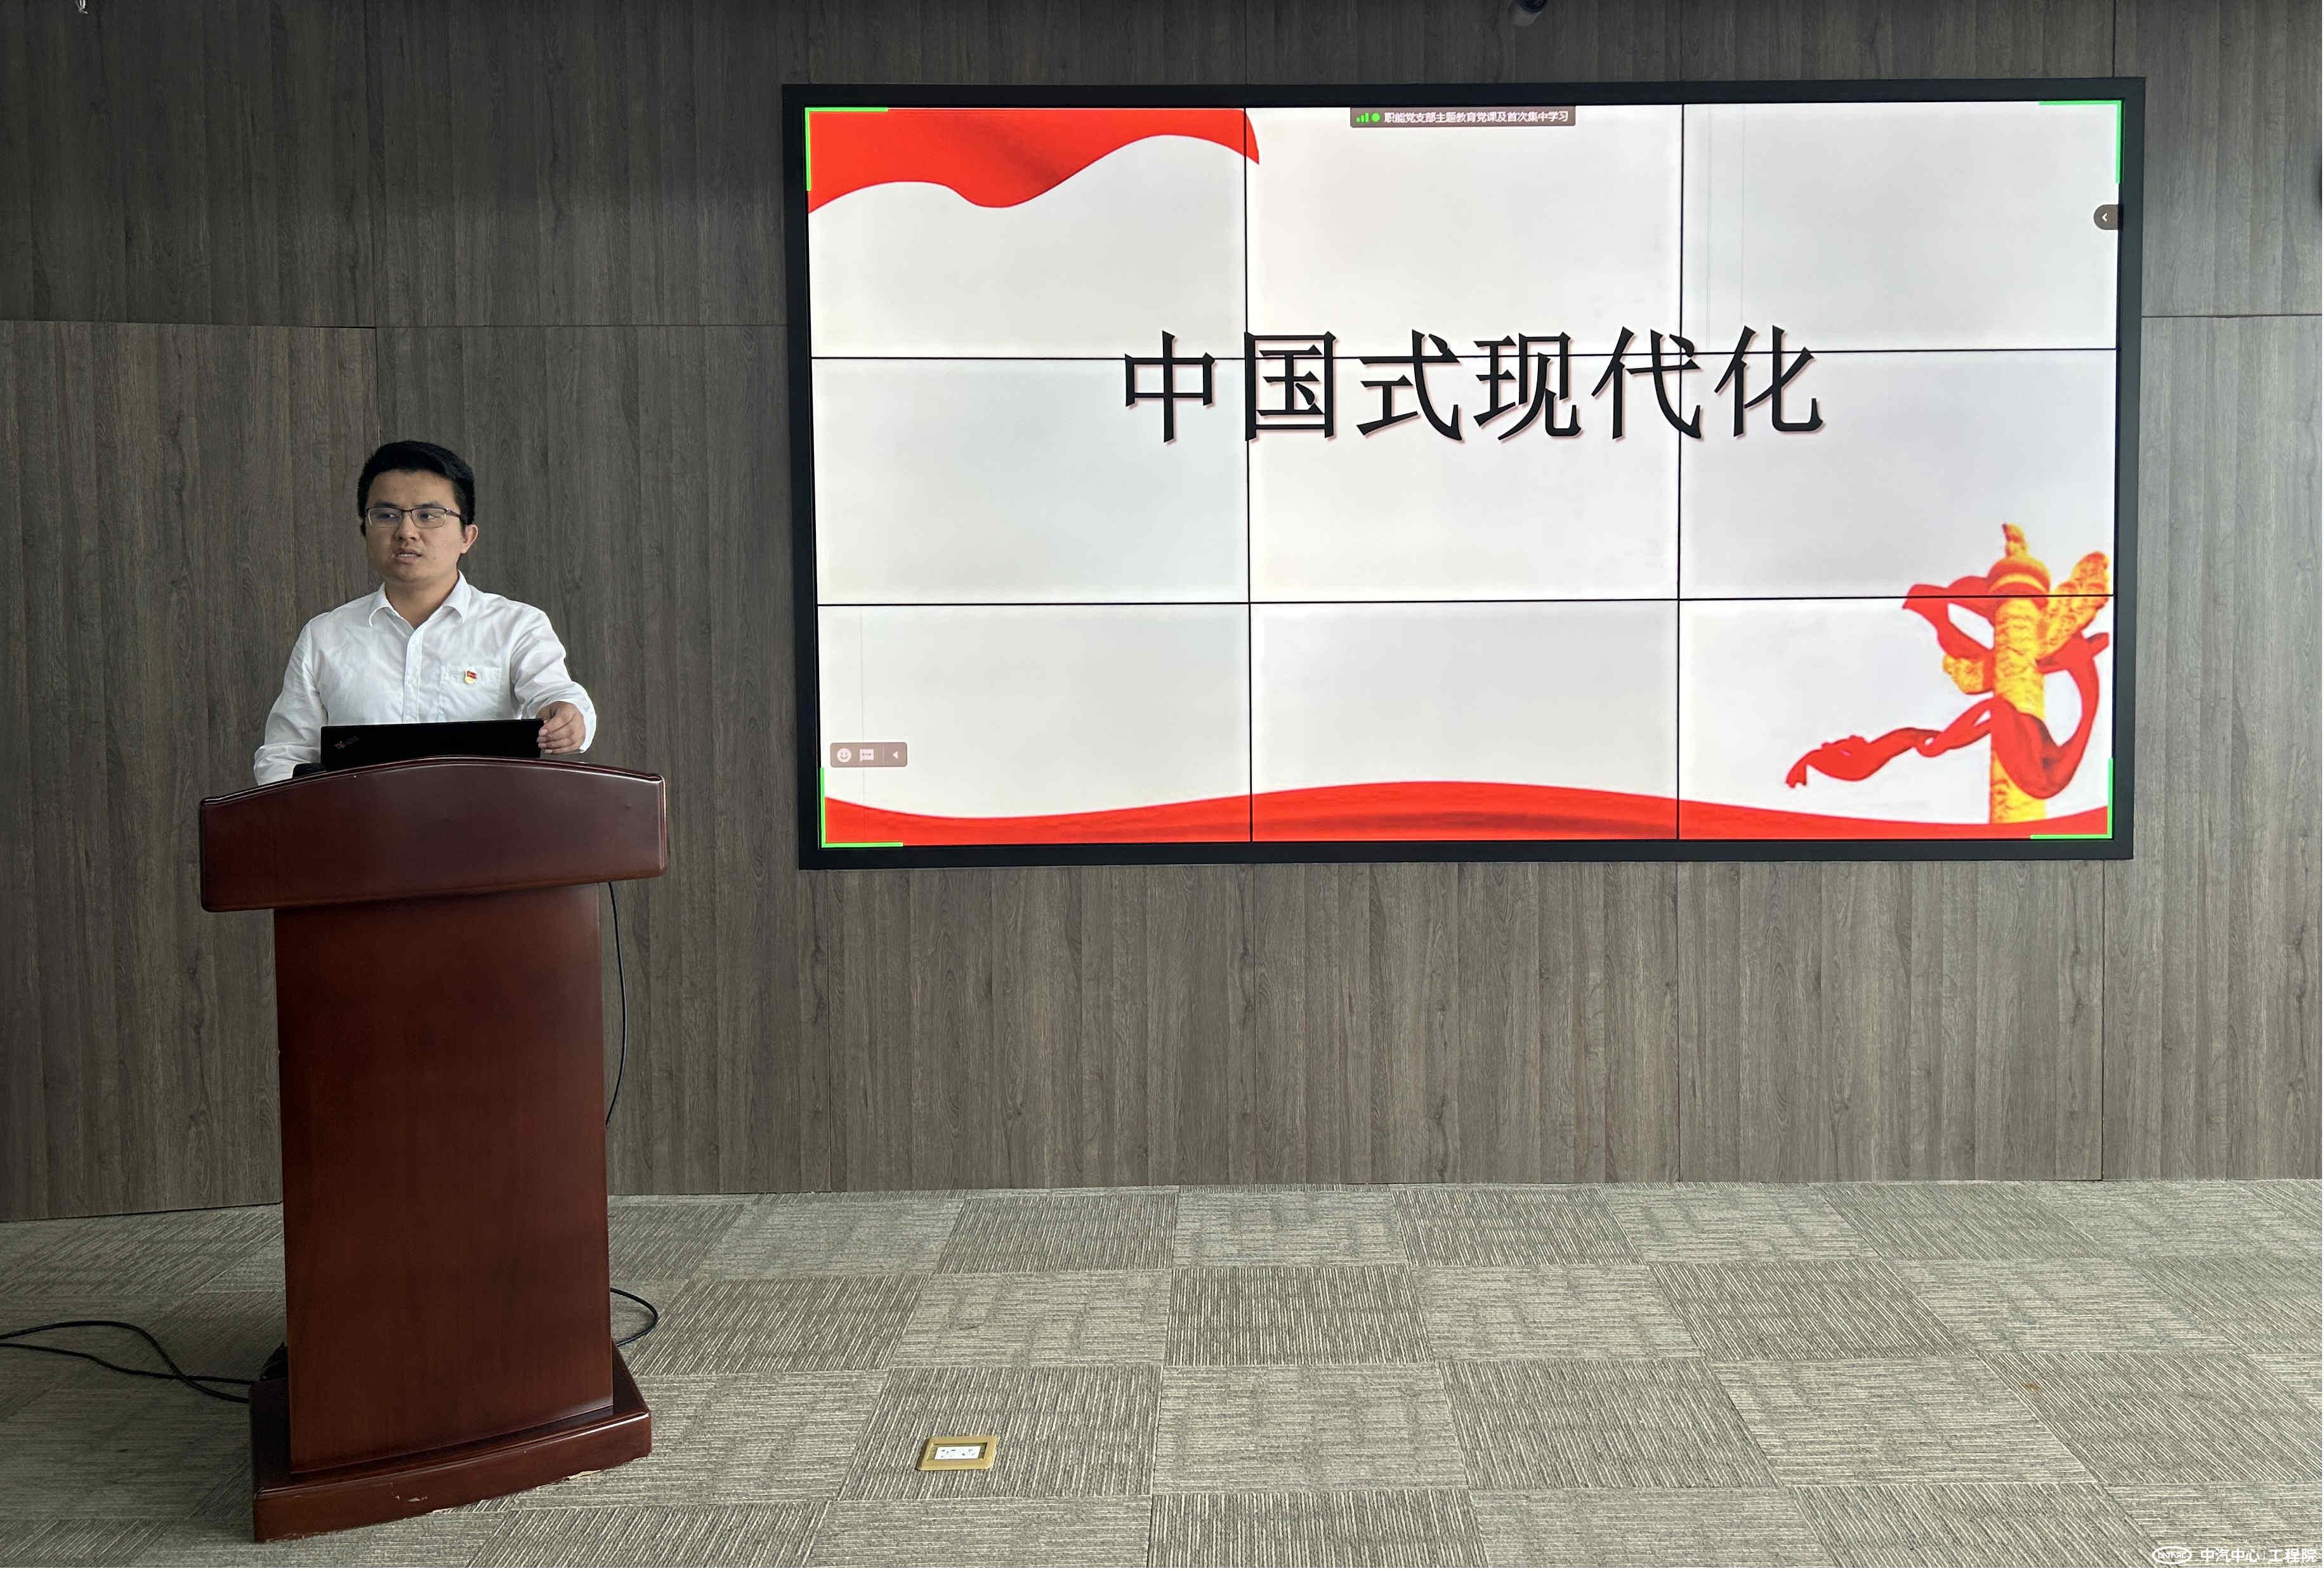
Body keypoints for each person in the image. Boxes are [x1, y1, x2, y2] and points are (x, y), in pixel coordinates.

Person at [251, 440, 596, 784]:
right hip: (358, 818)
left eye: (429, 516)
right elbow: (285, 754)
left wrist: (568, 717)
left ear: (467, 537)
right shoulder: (325, 636)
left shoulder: (516, 626)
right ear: (364, 531)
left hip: (484, 815)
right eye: (387, 516)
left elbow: (556, 695)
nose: (406, 532)